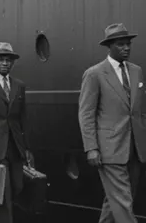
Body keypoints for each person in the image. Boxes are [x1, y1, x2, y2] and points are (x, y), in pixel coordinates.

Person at [78, 23, 145, 223]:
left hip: (136, 147)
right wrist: (91, 148)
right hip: (109, 148)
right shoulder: (95, 74)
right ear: (110, 47)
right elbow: (86, 114)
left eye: (128, 44)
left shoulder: (136, 71)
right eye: (121, 44)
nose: (127, 48)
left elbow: (139, 111)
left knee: (116, 200)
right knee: (123, 200)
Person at [0, 42, 32, 223]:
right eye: (0, 60)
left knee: (17, 186)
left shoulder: (19, 85)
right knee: (5, 189)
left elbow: (22, 118)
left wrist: (27, 148)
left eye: (8, 60)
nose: (4, 63)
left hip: (15, 146)